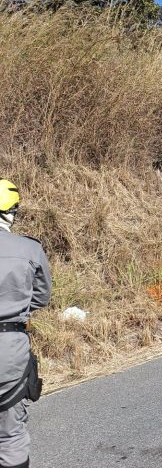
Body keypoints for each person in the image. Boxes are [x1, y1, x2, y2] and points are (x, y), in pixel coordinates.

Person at [0, 180, 52, 468]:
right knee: (10, 433)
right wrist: (16, 310)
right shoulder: (29, 249)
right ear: (11, 212)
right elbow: (42, 297)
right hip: (10, 346)